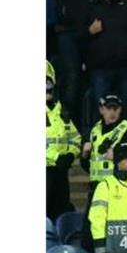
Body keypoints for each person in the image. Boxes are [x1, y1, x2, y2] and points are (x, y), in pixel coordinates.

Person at [46, 60, 81, 219]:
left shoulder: (61, 111)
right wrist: (56, 157)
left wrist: (71, 154)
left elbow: (75, 138)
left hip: (61, 171)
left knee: (61, 211)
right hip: (46, 169)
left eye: (49, 87)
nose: (47, 91)